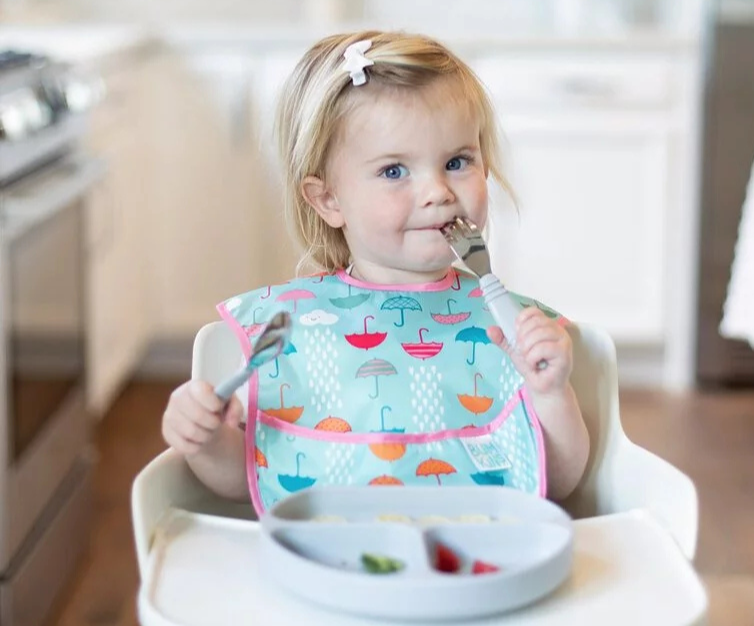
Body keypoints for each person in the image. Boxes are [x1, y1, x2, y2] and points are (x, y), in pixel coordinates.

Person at [161, 31, 590, 511]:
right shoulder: (289, 330)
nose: (438, 192)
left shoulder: (511, 330)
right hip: (331, 549)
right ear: (329, 199)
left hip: (479, 542)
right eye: (394, 171)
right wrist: (205, 441)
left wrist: (550, 395)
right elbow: (251, 478)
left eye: (457, 161)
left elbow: (558, 482)